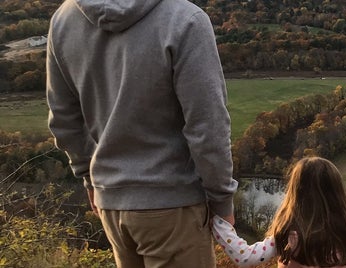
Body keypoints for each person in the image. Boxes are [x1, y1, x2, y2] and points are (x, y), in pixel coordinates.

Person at [46, 0, 237, 267]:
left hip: (112, 205)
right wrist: (222, 200)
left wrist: (90, 177)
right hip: (174, 204)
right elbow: (208, 126)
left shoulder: (63, 20)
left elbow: (64, 121)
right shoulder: (185, 19)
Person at [213, 157, 346, 268]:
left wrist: (218, 222)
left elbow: (245, 258)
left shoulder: (292, 234)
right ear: (337, 192)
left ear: (296, 193)